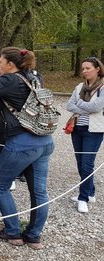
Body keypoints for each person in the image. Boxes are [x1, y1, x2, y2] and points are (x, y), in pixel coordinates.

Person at [0, 47, 54, 250]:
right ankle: (34, 236)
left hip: (21, 143)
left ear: (10, 64)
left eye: (0, 61)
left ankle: (12, 232)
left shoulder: (10, 79)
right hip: (44, 141)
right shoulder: (32, 77)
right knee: (39, 192)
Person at [66, 57, 104, 213]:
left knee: (87, 164)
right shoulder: (79, 87)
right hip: (77, 128)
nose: (85, 71)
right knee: (80, 162)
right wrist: (86, 107)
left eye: (88, 68)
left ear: (97, 69)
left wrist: (79, 104)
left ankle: (83, 198)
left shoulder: (102, 87)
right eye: (83, 69)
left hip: (93, 130)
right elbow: (69, 105)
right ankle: (90, 192)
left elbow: (96, 106)